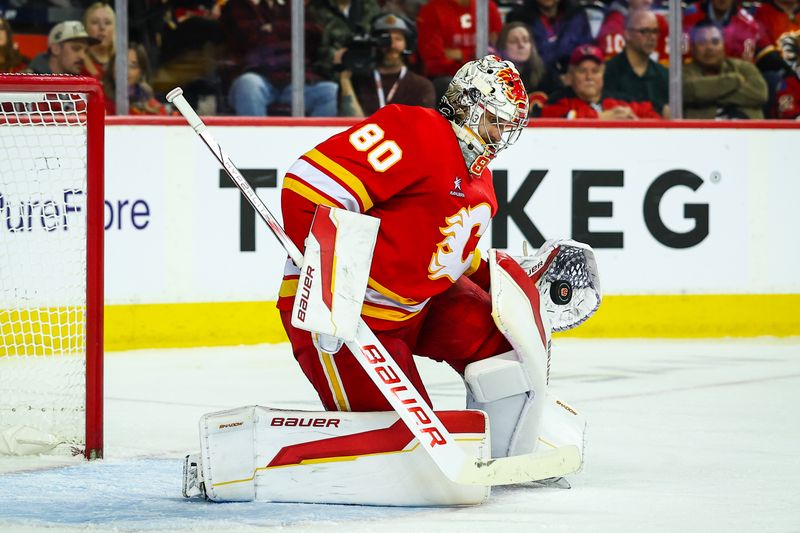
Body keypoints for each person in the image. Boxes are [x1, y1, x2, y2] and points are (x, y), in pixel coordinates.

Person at [277, 55, 528, 427]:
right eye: (495, 121)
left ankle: (510, 437)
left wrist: (506, 281)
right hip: (351, 321)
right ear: (468, 106)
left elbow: (441, 253)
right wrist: (330, 299)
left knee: (503, 343)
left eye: (507, 125)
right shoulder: (414, 130)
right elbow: (306, 189)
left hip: (419, 310)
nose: (500, 134)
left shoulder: (481, 180)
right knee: (408, 432)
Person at [221, 0, 338, 116]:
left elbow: (314, 32)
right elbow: (248, 38)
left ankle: (312, 136)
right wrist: (289, 33)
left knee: (331, 92)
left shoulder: (292, 5)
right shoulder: (237, 6)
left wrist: (274, 28)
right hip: (258, 75)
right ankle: (256, 135)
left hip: (294, 78)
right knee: (248, 84)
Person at [339, 13, 436, 117]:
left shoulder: (421, 86)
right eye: (385, 38)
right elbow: (350, 124)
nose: (392, 45)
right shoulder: (357, 81)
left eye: (398, 39)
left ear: (407, 44)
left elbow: (422, 126)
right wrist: (345, 80)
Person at [541, 43, 662, 118]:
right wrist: (600, 118)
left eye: (595, 71)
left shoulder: (619, 100)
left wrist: (636, 121)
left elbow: (652, 115)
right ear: (571, 76)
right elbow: (553, 119)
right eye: (582, 71)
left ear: (603, 74)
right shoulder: (558, 100)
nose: (589, 77)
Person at [416, 0, 504, 98]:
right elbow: (434, 61)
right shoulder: (432, 9)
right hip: (449, 77)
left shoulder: (486, 6)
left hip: (484, 76)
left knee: (503, 92)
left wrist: (461, 55)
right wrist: (474, 57)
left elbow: (498, 51)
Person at [683, 21, 768, 119]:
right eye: (702, 42)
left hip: (748, 132)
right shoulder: (683, 72)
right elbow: (690, 91)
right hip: (704, 132)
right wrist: (734, 80)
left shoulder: (744, 68)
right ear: (692, 48)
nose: (709, 48)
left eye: (715, 42)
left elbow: (759, 94)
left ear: (723, 45)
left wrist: (707, 94)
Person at [603, 8, 669, 117]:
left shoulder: (664, 75)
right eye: (644, 31)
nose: (652, 37)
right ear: (627, 34)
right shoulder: (608, 72)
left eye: (655, 31)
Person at [506, 0, 593, 78]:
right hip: (534, 79)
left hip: (574, 79)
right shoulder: (518, 18)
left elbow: (586, 51)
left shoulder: (577, 15)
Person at [495, 21, 564, 114]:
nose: (521, 45)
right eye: (514, 41)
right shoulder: (493, 76)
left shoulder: (547, 74)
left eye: (525, 40)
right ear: (502, 48)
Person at [308, 0, 382, 83]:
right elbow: (311, 48)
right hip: (330, 75)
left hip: (369, 69)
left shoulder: (370, 5)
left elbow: (380, 37)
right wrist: (333, 56)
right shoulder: (316, 9)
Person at [104, 43, 167, 115]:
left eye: (133, 65)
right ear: (112, 66)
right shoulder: (98, 97)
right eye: (121, 63)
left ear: (141, 72)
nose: (126, 70)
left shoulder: (150, 103)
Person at [595, 0, 668, 63]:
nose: (648, 1)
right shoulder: (613, 27)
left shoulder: (660, 23)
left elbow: (668, 68)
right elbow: (613, 74)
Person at [27, 21, 99, 75]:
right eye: (76, 48)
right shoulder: (27, 82)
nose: (83, 56)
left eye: (86, 51)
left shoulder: (82, 83)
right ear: (55, 49)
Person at [81, 2, 115, 79]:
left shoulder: (123, 62)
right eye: (95, 22)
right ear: (85, 28)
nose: (102, 27)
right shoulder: (78, 63)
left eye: (107, 23)